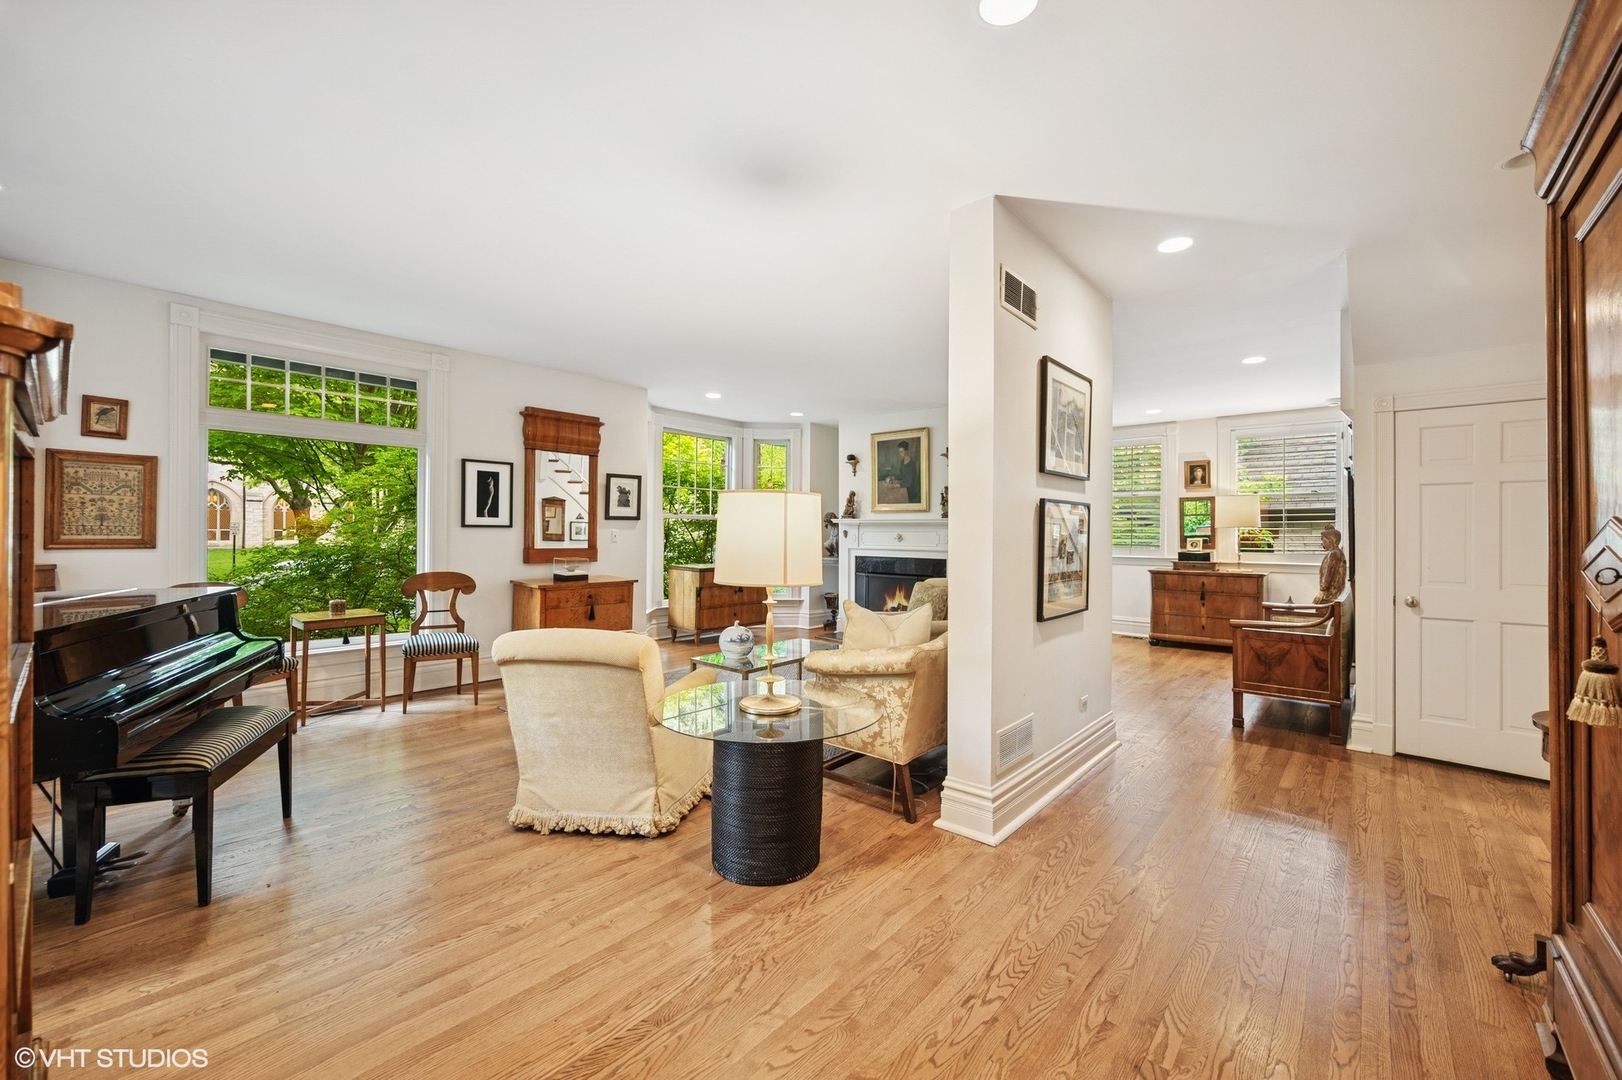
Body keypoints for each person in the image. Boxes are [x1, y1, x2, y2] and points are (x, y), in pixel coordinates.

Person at [1314, 527, 1347, 603]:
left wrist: (1322, 590)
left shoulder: (1334, 554)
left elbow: (1329, 574)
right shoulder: (1336, 552)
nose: (1322, 543)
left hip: (1330, 595)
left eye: (1323, 540)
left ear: (1330, 541)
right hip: (1332, 593)